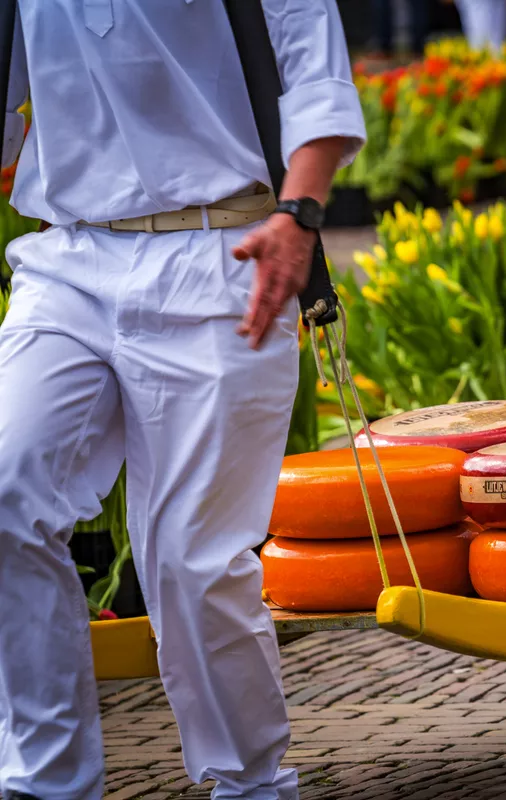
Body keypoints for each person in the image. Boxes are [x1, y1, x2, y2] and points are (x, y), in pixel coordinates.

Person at [0, 2, 365, 799]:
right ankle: (45, 783)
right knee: (4, 492)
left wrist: (300, 214)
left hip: (226, 252)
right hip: (66, 257)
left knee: (190, 563)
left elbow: (318, 74)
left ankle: (252, 786)